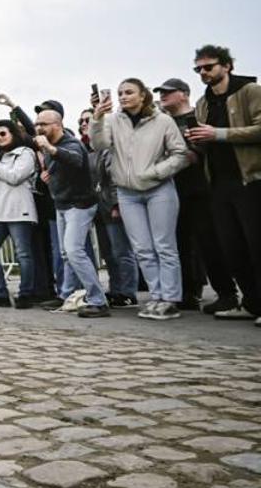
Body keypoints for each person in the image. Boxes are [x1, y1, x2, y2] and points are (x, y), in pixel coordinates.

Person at [92, 79, 188, 320]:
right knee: (143, 249)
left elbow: (181, 154)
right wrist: (97, 118)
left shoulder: (163, 120)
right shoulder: (114, 120)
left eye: (129, 92)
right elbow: (99, 144)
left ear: (143, 95)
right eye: (120, 93)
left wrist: (156, 172)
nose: (123, 97)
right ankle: (156, 297)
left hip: (159, 189)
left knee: (164, 246)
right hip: (127, 192)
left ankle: (170, 298)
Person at [188, 45, 261, 326]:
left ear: (227, 65)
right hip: (218, 183)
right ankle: (251, 303)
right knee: (232, 246)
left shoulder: (250, 92)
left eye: (209, 67)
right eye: (199, 69)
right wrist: (197, 143)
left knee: (256, 243)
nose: (203, 73)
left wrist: (219, 134)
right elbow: (207, 141)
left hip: (250, 179)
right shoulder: (204, 103)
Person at [156, 77, 236, 313]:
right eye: (161, 92)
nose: (163, 96)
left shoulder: (199, 115)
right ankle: (187, 293)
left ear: (183, 94)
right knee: (177, 242)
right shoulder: (162, 122)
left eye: (168, 92)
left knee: (208, 241)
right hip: (172, 188)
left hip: (201, 188)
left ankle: (226, 293)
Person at [34, 110, 109, 318]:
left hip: (80, 204)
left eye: (44, 124)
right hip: (62, 205)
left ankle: (98, 301)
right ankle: (67, 295)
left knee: (74, 251)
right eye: (37, 124)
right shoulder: (46, 143)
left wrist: (50, 149)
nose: (39, 128)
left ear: (57, 125)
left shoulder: (71, 143)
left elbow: (75, 159)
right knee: (67, 254)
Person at [79, 109, 139, 308]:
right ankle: (116, 289)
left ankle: (129, 291)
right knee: (108, 253)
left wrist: (115, 204)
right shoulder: (85, 150)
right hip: (97, 207)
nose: (83, 124)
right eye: (81, 121)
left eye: (87, 120)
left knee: (122, 250)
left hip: (111, 204)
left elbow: (113, 177)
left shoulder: (107, 148)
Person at [0, 120, 38, 308]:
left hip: (18, 210)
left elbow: (15, 177)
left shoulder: (25, 154)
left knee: (23, 253)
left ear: (13, 133)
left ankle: (26, 293)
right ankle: (0, 292)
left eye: (3, 133)